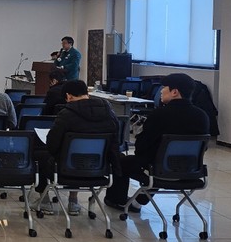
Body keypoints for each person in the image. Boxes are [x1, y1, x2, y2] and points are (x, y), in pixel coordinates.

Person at [104, 73, 210, 210]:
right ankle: (137, 202)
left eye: (164, 87)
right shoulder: (202, 116)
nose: (161, 91)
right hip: (191, 171)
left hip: (159, 171)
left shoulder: (159, 114)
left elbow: (141, 147)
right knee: (159, 161)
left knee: (122, 160)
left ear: (174, 92)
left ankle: (117, 200)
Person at [31, 79, 119, 215]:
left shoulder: (66, 114)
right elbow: (115, 143)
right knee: (79, 156)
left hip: (66, 169)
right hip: (99, 169)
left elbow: (52, 145)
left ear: (68, 96)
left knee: (41, 155)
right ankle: (73, 200)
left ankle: (44, 201)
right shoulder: (109, 114)